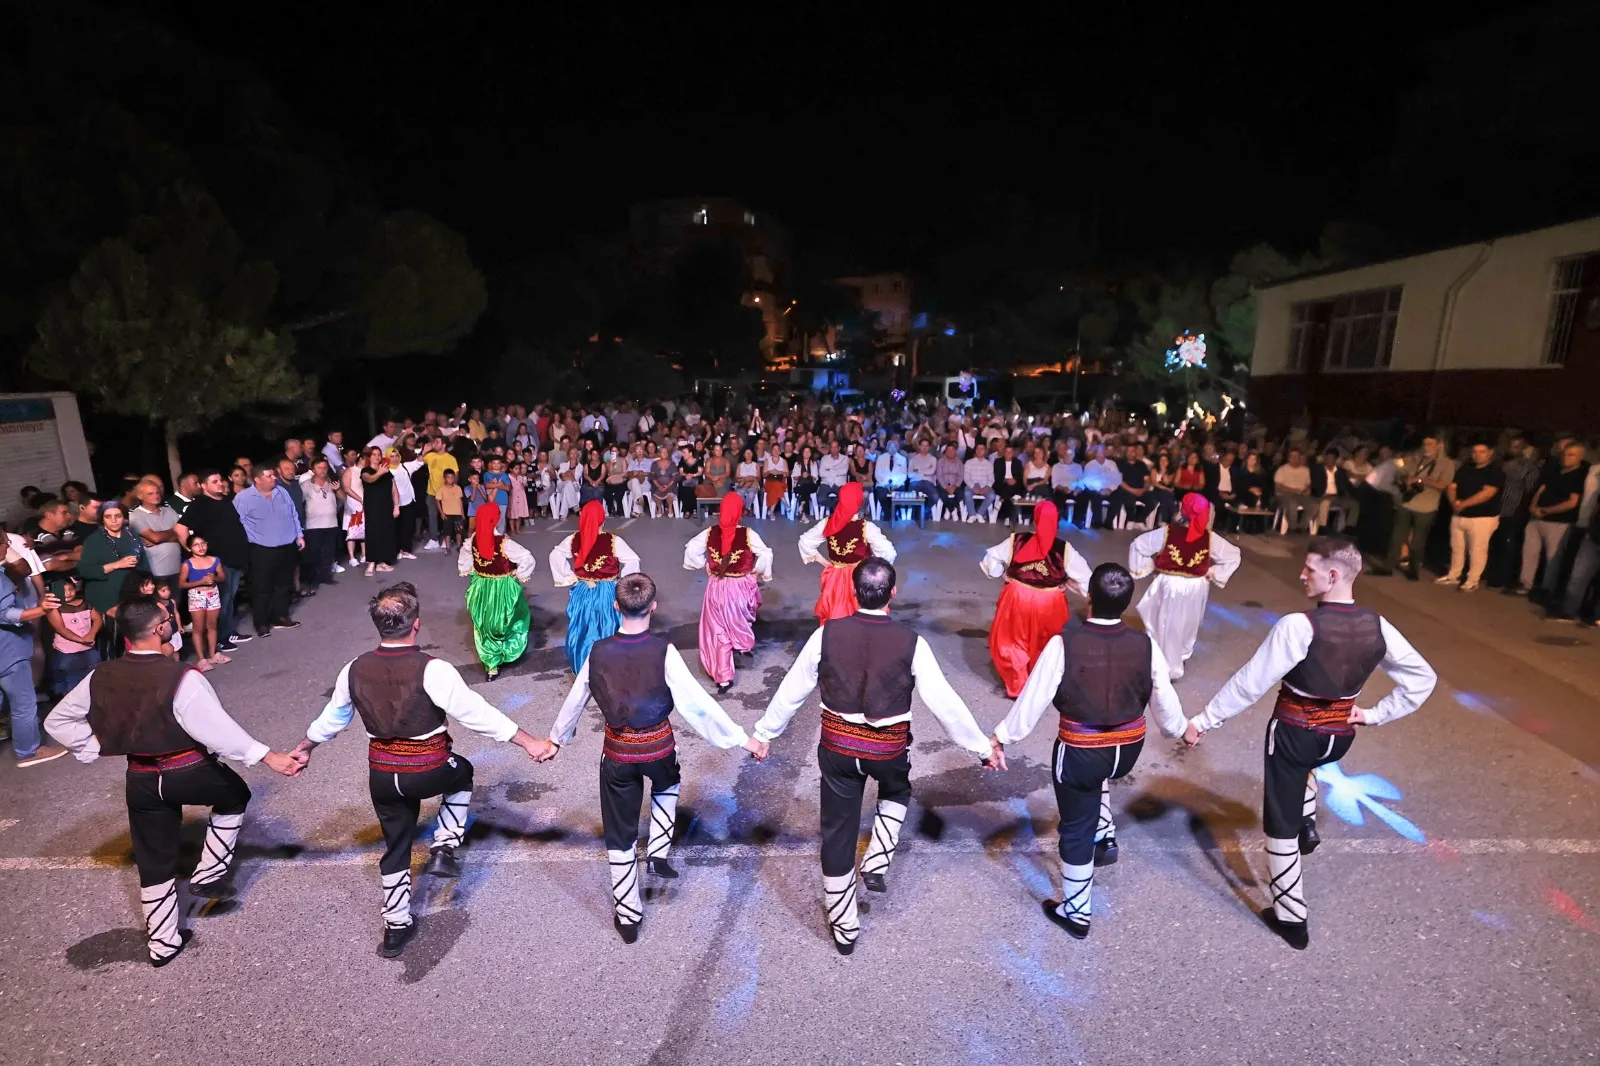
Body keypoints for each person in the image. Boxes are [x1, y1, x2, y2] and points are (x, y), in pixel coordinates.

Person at [1188, 536, 1437, 949]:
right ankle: (1307, 824)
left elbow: (1251, 683)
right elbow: (1422, 678)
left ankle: (1291, 916)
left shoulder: (1298, 625)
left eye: (1310, 569)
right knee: (1310, 767)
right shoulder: (1379, 624)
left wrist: (1204, 720)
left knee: (1278, 823)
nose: (1301, 574)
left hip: (1295, 731)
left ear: (1334, 575)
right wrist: (1373, 714)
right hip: (1339, 736)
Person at [753, 558, 1000, 955]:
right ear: (893, 594)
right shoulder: (911, 643)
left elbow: (792, 689)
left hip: (837, 749)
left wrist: (764, 733)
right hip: (888, 750)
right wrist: (983, 749)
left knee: (838, 830)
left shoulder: (826, 635)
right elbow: (945, 704)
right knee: (898, 789)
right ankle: (878, 860)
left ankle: (844, 925)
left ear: (853, 591)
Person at [292, 583, 549, 958]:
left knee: (396, 844)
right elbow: (477, 714)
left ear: (380, 625)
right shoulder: (433, 668)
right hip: (428, 766)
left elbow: (333, 718)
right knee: (461, 773)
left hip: (382, 774)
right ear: (415, 624)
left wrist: (305, 747)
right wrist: (529, 741)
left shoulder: (354, 668)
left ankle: (395, 926)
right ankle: (445, 844)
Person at [44, 599, 302, 964]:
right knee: (234, 794)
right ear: (157, 630)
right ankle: (210, 871)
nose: (171, 623)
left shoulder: (100, 674)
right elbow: (218, 732)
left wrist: (96, 746)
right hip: (188, 769)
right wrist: (269, 756)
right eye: (168, 619)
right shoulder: (182, 676)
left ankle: (162, 945)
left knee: (154, 859)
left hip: (142, 777)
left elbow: (57, 722)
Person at [542, 572, 765, 942]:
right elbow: (698, 705)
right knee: (669, 781)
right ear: (653, 607)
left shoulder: (597, 651)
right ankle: (659, 849)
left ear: (616, 607)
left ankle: (628, 917)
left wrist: (555, 740)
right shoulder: (665, 651)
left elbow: (576, 700)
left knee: (620, 830)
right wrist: (744, 740)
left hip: (617, 750)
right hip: (658, 745)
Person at [990, 563, 1186, 937]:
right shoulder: (1146, 645)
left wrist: (1002, 737)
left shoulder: (1065, 644)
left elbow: (1033, 700)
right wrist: (1181, 729)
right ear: (1127, 602)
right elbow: (1165, 700)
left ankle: (1077, 912)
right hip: (1128, 747)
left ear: (1090, 598)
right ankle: (1106, 835)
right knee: (1101, 778)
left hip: (1081, 749)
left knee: (1075, 826)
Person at [979, 500, 1092, 698]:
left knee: (1011, 641)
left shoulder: (1017, 540)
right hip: (1049, 603)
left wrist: (1003, 573)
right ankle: (1041, 684)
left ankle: (1018, 685)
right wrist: (1071, 585)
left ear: (1036, 519)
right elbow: (1086, 579)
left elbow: (992, 560)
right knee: (1047, 643)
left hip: (1017, 599)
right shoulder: (1064, 549)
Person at [1127, 494, 1242, 679]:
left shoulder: (1167, 532)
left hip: (1169, 584)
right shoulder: (1210, 538)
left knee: (1163, 622)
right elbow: (1233, 555)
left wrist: (1147, 567)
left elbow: (1139, 545)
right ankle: (1178, 657)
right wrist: (1213, 573)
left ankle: (1161, 662)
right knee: (1188, 622)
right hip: (1196, 587)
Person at [683, 494, 774, 693]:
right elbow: (766, 553)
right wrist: (757, 572)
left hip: (716, 587)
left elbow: (691, 549)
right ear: (739, 512)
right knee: (739, 621)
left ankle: (723, 678)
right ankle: (740, 644)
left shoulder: (709, 532)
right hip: (740, 587)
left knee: (718, 631)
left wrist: (705, 564)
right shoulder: (748, 534)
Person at [549, 500, 642, 673]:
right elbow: (632, 560)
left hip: (583, 589)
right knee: (608, 625)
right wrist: (624, 583)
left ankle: (584, 666)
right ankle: (609, 667)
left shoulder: (573, 539)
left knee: (582, 626)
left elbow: (556, 555)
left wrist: (570, 577)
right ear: (602, 519)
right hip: (607, 590)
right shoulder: (613, 541)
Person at [173, 472, 252, 651]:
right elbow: (180, 528)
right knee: (221, 601)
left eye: (220, 480)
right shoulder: (199, 504)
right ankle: (219, 638)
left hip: (235, 557)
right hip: (217, 560)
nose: (220, 484)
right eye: (214, 482)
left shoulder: (225, 501)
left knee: (230, 598)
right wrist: (194, 552)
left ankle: (229, 631)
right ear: (203, 486)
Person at [457, 501, 536, 681]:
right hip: (503, 587)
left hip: (481, 587)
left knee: (484, 624)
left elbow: (465, 559)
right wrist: (518, 573)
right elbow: (526, 557)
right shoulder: (505, 543)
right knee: (510, 619)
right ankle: (507, 651)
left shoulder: (472, 541)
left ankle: (491, 665)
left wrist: (472, 570)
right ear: (496, 519)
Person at [797, 482, 896, 624]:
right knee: (862, 617)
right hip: (860, 578)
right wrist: (872, 567)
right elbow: (889, 552)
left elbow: (805, 541)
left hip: (834, 578)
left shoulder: (827, 523)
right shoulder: (866, 527)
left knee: (835, 616)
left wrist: (826, 564)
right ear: (859, 502)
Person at [3, 566, 66, 766]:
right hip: (8, 651)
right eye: (5, 541)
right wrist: (40, 610)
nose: (8, 545)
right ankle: (29, 752)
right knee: (23, 704)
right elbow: (6, 613)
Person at [233, 467, 303, 637]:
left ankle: (280, 616)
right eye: (269, 475)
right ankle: (262, 622)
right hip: (261, 549)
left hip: (287, 546)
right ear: (257, 479)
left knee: (283, 585)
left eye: (273, 474)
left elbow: (293, 514)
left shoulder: (281, 492)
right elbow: (237, 523)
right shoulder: (244, 498)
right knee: (262, 587)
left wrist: (299, 535)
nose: (274, 478)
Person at [1514, 442, 1587, 598]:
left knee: (1553, 558)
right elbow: (1541, 489)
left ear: (1581, 457)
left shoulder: (1579, 476)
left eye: (1571, 455)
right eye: (1565, 454)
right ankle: (1525, 584)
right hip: (1536, 518)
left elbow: (1572, 502)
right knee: (1529, 552)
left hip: (1559, 522)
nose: (1566, 458)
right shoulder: (1553, 470)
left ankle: (1547, 589)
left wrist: (1546, 510)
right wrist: (1533, 506)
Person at [1377, 436, 1454, 579]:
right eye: (1424, 443)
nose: (1426, 447)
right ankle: (1387, 567)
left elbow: (1443, 485)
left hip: (1426, 506)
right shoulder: (1416, 458)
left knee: (1418, 541)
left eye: (1430, 444)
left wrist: (1421, 480)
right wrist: (1405, 479)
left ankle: (1413, 569)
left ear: (1439, 445)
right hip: (1407, 502)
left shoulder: (1446, 463)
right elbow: (1402, 472)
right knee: (1396, 536)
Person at [1437, 439, 1504, 592]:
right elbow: (1452, 486)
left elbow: (1488, 493)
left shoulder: (1495, 471)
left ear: (1490, 453)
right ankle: (1453, 574)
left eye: (1482, 452)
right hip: (1459, 514)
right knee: (1457, 547)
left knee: (1477, 549)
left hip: (1482, 517)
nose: (1477, 455)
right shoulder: (1466, 467)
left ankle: (1473, 579)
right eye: (1475, 452)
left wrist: (1464, 504)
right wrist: (1454, 502)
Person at [77, 500, 148, 618]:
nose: (113, 521)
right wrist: (117, 564)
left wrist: (147, 584)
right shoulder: (93, 540)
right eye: (108, 517)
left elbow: (144, 564)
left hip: (132, 595)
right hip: (106, 597)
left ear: (124, 517)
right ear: (102, 519)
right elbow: (85, 571)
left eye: (118, 516)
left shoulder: (132, 535)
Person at [45, 575, 101, 694]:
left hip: (89, 648)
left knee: (93, 678)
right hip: (67, 652)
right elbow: (61, 629)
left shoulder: (86, 603)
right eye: (63, 590)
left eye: (70, 589)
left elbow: (97, 619)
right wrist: (82, 639)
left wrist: (91, 634)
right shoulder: (54, 608)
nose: (68, 593)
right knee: (70, 683)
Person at [178, 535, 228, 669]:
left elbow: (222, 577)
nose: (201, 547)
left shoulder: (215, 560)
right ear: (189, 548)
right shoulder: (187, 564)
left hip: (213, 594)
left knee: (212, 626)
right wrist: (201, 582)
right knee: (198, 628)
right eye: (196, 545)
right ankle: (201, 659)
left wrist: (215, 578)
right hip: (197, 596)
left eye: (203, 544)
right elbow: (182, 584)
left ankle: (213, 654)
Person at [128, 479, 182, 593]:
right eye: (150, 493)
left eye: (157, 492)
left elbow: (181, 534)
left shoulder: (169, 511)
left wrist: (165, 537)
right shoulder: (136, 516)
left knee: (176, 605)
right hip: (156, 572)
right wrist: (173, 533)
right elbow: (155, 537)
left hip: (177, 568)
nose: (156, 496)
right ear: (140, 496)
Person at [360, 448, 399, 577]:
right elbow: (369, 479)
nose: (377, 457)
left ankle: (382, 562)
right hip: (372, 507)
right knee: (372, 533)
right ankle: (371, 562)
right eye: (374, 455)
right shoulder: (366, 471)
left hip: (386, 507)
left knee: (386, 532)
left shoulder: (387, 472)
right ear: (369, 457)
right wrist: (380, 473)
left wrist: (396, 506)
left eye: (379, 455)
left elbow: (394, 489)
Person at [1273, 449, 1314, 532]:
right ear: (1288, 458)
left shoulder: (1305, 470)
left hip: (1301, 494)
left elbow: (1308, 484)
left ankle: (1301, 527)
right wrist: (1294, 490)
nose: (1294, 458)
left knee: (1314, 504)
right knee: (1292, 503)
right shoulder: (1282, 469)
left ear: (1300, 458)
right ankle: (1293, 527)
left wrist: (1307, 489)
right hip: (1285, 493)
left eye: (1296, 456)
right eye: (1292, 456)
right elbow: (1278, 486)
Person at [962, 442, 994, 522]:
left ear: (985, 451)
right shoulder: (969, 462)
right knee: (967, 493)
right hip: (972, 484)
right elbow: (966, 477)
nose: (980, 451)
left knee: (992, 495)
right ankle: (972, 514)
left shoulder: (989, 464)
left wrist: (987, 487)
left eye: (982, 449)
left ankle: (980, 513)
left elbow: (991, 479)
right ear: (975, 450)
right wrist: (973, 487)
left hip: (984, 485)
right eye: (978, 449)